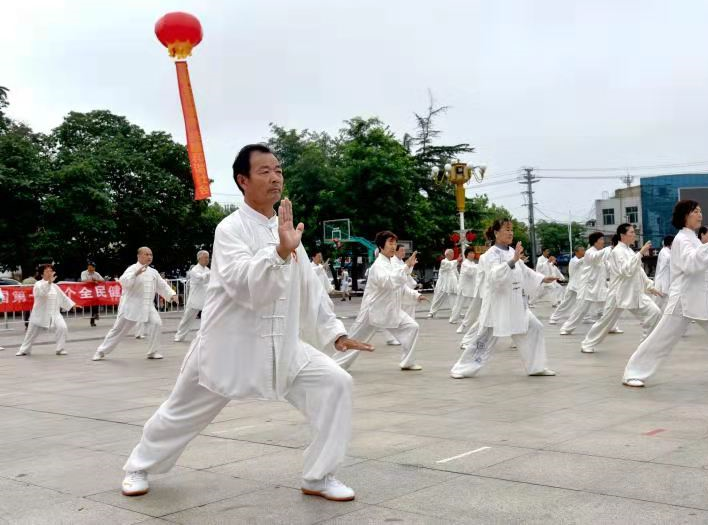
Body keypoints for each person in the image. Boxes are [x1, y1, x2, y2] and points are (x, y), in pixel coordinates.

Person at [121, 143, 372, 501]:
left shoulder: (288, 233)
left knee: (335, 383)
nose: (275, 178)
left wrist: (336, 333)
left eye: (278, 170)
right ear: (243, 180)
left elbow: (311, 290)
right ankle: (138, 466)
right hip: (229, 345)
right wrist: (280, 252)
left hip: (282, 345)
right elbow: (243, 284)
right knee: (180, 413)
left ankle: (318, 476)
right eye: (264, 171)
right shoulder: (230, 229)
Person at [621, 200, 708, 387]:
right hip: (683, 300)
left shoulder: (694, 239)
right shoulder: (681, 239)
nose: (700, 214)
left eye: (700, 211)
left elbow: (706, 271)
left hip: (702, 300)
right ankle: (632, 373)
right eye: (695, 211)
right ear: (685, 215)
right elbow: (692, 265)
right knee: (661, 338)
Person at [450, 219, 558, 379]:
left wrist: (542, 278)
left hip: (516, 304)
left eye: (511, 229)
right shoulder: (489, 255)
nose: (511, 233)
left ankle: (536, 367)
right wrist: (513, 260)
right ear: (496, 233)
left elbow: (525, 272)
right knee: (484, 339)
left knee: (535, 327)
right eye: (507, 229)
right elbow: (495, 276)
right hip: (498, 306)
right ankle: (461, 369)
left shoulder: (511, 251)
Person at [332, 231, 425, 371]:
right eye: (390, 243)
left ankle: (408, 362)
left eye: (394, 243)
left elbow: (399, 286)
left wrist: (415, 295)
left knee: (412, 327)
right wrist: (406, 267)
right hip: (372, 311)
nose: (393, 246)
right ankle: (335, 365)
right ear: (381, 246)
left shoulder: (392, 264)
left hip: (389, 310)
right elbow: (389, 282)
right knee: (355, 340)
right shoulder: (378, 266)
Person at [579, 224, 662, 354]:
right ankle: (587, 343)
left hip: (634, 293)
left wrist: (650, 286)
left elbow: (638, 271)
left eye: (634, 232)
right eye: (631, 232)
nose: (634, 234)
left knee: (654, 313)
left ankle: (645, 346)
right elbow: (626, 271)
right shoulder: (617, 251)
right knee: (605, 322)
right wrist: (640, 253)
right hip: (618, 294)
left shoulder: (629, 251)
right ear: (623, 235)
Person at [92, 247, 177, 361]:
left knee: (156, 323)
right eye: (146, 254)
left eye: (151, 255)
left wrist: (172, 294)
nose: (149, 257)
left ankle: (153, 351)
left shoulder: (153, 272)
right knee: (118, 330)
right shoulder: (132, 269)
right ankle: (101, 351)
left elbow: (162, 285)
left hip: (148, 305)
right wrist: (135, 274)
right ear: (139, 256)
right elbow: (124, 282)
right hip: (131, 306)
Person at [16, 264, 77, 356]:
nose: (49, 273)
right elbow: (42, 293)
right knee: (31, 333)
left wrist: (72, 304)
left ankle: (60, 349)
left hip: (55, 313)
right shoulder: (38, 284)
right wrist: (48, 283)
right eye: (47, 271)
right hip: (40, 313)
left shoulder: (55, 286)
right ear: (41, 274)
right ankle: (24, 350)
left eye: (51, 271)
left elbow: (63, 297)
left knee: (62, 328)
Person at [560, 232, 612, 335]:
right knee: (581, 310)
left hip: (600, 286)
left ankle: (611, 326)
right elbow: (595, 257)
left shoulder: (601, 253)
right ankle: (567, 328)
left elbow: (608, 266)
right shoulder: (589, 253)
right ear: (595, 241)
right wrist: (610, 248)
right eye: (601, 239)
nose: (603, 241)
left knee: (608, 307)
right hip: (588, 287)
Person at [174, 250, 211, 343]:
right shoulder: (194, 270)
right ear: (199, 258)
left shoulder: (207, 270)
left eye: (208, 257)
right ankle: (179, 336)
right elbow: (200, 278)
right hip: (194, 299)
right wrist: (211, 274)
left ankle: (205, 336)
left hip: (205, 298)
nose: (208, 259)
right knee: (187, 318)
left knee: (208, 318)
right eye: (205, 257)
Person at [549, 247, 585, 324]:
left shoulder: (582, 261)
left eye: (584, 250)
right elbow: (580, 262)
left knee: (584, 302)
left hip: (580, 286)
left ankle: (585, 317)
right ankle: (554, 317)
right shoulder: (574, 260)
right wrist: (589, 255)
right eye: (582, 250)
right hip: (573, 287)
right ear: (576, 252)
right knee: (566, 303)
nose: (584, 252)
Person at [449, 248, 478, 324]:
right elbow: (470, 273)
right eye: (470, 253)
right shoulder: (465, 263)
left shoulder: (473, 263)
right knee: (459, 304)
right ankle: (453, 319)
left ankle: (472, 319)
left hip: (471, 287)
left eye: (473, 253)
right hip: (463, 287)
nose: (472, 254)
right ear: (467, 254)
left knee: (473, 304)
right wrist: (479, 266)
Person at [427, 249, 459, 318]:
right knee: (437, 299)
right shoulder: (444, 262)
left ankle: (456, 312)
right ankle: (432, 312)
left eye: (453, 253)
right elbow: (449, 265)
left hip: (451, 284)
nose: (453, 255)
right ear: (447, 254)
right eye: (451, 253)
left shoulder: (453, 263)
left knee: (454, 298)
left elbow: (456, 273)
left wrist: (459, 281)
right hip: (442, 285)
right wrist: (457, 260)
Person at [653, 236, 674, 310]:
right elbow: (662, 269)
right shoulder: (664, 252)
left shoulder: (668, 251)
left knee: (661, 303)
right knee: (657, 304)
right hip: (662, 282)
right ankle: (649, 319)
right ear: (671, 242)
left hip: (665, 281)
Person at [81, 261, 104, 326]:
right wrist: (93, 281)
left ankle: (93, 319)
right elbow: (83, 280)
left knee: (95, 303)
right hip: (85, 291)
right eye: (89, 267)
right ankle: (95, 315)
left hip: (94, 291)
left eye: (92, 267)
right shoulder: (84, 272)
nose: (90, 268)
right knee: (93, 304)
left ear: (94, 268)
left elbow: (102, 280)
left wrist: (96, 280)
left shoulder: (96, 273)